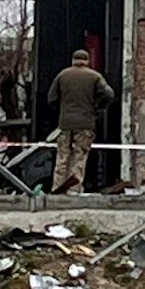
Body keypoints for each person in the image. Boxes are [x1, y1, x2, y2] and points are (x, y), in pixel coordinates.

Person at [48, 48, 115, 194]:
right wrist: (98, 108)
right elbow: (109, 94)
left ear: (73, 60)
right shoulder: (95, 77)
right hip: (86, 123)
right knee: (79, 157)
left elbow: (51, 98)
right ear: (87, 61)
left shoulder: (62, 75)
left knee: (62, 156)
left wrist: (61, 111)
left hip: (65, 123)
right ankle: (74, 188)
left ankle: (57, 187)